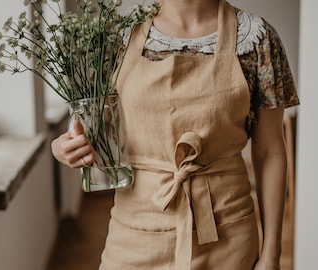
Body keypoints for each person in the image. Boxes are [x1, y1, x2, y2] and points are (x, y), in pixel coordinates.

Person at [51, 0, 300, 269]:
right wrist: (63, 146)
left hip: (227, 234)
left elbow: (270, 151)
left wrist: (271, 254)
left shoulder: (256, 39)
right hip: (135, 232)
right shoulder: (117, 37)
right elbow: (92, 129)